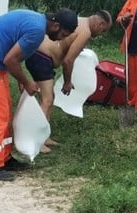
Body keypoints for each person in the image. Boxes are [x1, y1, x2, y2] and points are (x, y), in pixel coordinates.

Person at [0, 8, 78, 181]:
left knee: (5, 113)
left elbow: (15, 53)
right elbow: (10, 60)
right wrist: (26, 82)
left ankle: (5, 158)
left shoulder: (37, 23)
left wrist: (20, 77)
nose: (62, 39)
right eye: (64, 34)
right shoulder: (36, 30)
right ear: (56, 25)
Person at [25, 10, 112, 152]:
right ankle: (36, 140)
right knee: (47, 100)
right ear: (100, 23)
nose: (100, 34)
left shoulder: (81, 21)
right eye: (103, 30)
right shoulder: (86, 32)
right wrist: (67, 82)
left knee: (49, 99)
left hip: (38, 55)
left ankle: (44, 136)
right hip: (41, 58)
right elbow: (68, 61)